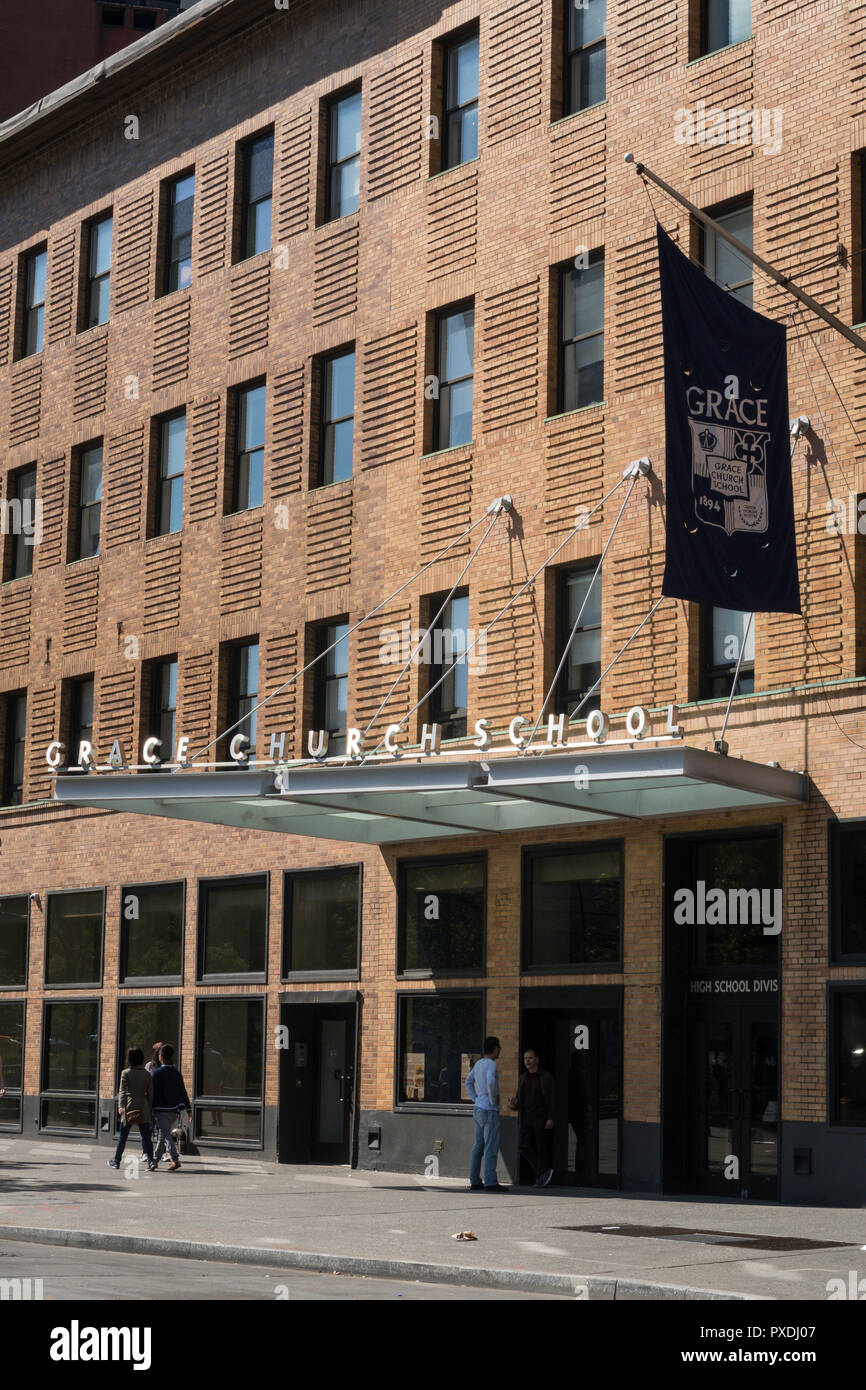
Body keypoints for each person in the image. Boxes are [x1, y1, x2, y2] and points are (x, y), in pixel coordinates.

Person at [466, 1036, 507, 1193]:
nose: (499, 1050)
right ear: (495, 1048)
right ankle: (490, 1181)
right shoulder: (491, 1064)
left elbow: (468, 1082)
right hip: (489, 1110)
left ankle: (475, 1180)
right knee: (491, 1146)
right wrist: (493, 1099)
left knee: (478, 1146)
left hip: (478, 1109)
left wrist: (476, 1098)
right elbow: (491, 1081)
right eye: (499, 1048)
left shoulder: (478, 1064)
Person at [508, 1048, 555, 1187]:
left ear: (537, 1060)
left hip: (541, 1118)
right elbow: (519, 1099)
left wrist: (551, 1117)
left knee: (541, 1148)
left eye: (530, 1058)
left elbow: (552, 1099)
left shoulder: (545, 1077)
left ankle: (540, 1177)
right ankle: (543, 1172)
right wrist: (513, 1105)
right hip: (526, 1118)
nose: (527, 1061)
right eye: (525, 1059)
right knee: (523, 1146)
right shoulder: (523, 1078)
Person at [109, 1048, 157, 1172]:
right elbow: (151, 1093)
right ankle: (151, 1161)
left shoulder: (126, 1073)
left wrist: (120, 1106)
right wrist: (150, 1107)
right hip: (144, 1106)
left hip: (129, 1107)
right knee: (146, 1137)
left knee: (123, 1137)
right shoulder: (147, 1074)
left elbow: (122, 1091)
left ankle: (116, 1161)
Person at [151, 1043, 192, 1171]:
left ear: (161, 1056)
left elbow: (151, 1093)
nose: (158, 1056)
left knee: (165, 1135)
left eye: (159, 1054)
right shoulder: (176, 1073)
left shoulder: (156, 1073)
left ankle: (170, 1159)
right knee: (163, 1135)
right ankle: (156, 1161)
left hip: (160, 1110)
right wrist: (189, 1110)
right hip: (174, 1111)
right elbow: (183, 1092)